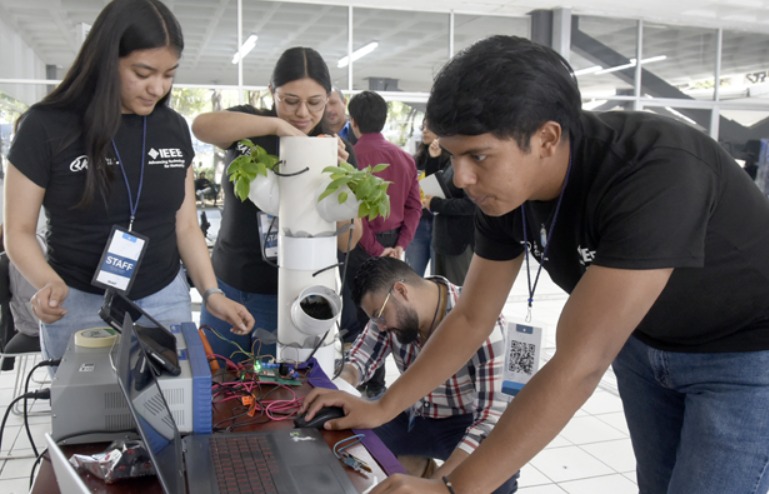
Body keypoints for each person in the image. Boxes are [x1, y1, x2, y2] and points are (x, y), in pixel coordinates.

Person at [302, 34, 769, 494]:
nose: (461, 178)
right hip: (644, 344)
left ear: (547, 138)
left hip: (743, 356)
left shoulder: (654, 171)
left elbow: (580, 362)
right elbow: (470, 317)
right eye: (454, 154)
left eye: (478, 155)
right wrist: (382, 408)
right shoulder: (505, 194)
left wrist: (452, 489)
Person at [4, 0, 253, 363]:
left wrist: (211, 292)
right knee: (90, 413)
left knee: (172, 411)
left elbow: (185, 226)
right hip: (77, 302)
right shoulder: (46, 127)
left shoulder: (172, 127)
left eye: (169, 74)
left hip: (164, 301)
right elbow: (19, 231)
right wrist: (48, 282)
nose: (157, 87)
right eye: (143, 72)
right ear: (107, 60)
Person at [192, 47, 361, 363]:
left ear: (329, 97)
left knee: (279, 394)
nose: (302, 114)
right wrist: (276, 127)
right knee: (219, 383)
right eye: (290, 101)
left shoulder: (337, 148)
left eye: (315, 103)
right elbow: (201, 126)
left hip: (292, 295)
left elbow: (348, 240)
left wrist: (339, 180)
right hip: (230, 285)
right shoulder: (251, 124)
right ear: (272, 91)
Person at [341, 256, 519, 493]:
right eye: (375, 319)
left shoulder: (485, 323)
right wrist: (340, 383)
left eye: (380, 317)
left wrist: (439, 484)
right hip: (413, 415)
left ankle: (423, 471)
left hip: (464, 422)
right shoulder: (388, 311)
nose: (380, 326)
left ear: (401, 291)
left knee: (496, 477)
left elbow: (489, 422)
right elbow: (359, 359)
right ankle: (416, 465)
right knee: (347, 441)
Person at [339, 90, 421, 399]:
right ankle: (401, 384)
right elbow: (415, 207)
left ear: (354, 121)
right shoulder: (405, 158)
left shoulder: (351, 157)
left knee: (366, 316)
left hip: (361, 245)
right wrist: (400, 245)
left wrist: (375, 250)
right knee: (396, 313)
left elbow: (354, 214)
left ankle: (370, 384)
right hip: (396, 247)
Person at [404, 119, 448, 277]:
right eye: (423, 126)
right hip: (418, 222)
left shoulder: (450, 160)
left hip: (441, 223)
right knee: (411, 276)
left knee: (440, 278)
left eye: (430, 126)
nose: (425, 130)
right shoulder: (416, 158)